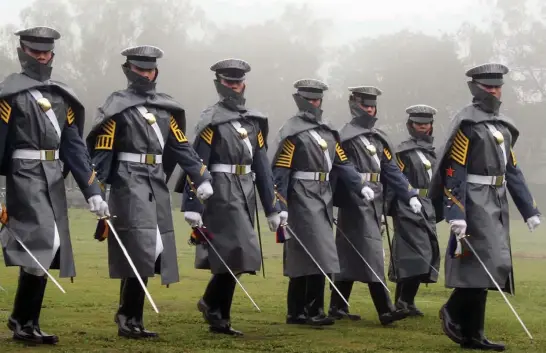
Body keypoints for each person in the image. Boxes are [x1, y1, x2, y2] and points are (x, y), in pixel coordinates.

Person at [86, 45, 213, 339]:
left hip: (155, 181)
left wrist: (200, 175)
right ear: (129, 70)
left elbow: (181, 145)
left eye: (150, 69)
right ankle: (127, 316)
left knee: (153, 248)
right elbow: (104, 152)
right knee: (141, 246)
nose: (146, 74)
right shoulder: (117, 106)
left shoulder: (165, 108)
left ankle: (133, 316)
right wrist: (98, 189)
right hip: (128, 182)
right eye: (140, 69)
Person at [0, 26, 109, 345]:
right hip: (24, 172)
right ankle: (23, 321)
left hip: (53, 173)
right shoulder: (9, 93)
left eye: (47, 52)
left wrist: (93, 191)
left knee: (48, 245)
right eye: (36, 52)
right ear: (23, 52)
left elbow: (74, 145)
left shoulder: (63, 96)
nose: (43, 57)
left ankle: (25, 321)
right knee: (43, 241)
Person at [430, 63, 541, 351]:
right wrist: (456, 212)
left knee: (487, 266)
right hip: (475, 200)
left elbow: (512, 169)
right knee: (486, 262)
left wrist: (529, 209)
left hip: (497, 198)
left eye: (497, 86)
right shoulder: (468, 124)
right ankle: (453, 310)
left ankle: (473, 334)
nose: (494, 91)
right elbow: (455, 170)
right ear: (475, 88)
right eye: (488, 86)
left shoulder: (501, 125)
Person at [175, 58, 284, 336]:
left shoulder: (253, 122)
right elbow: (197, 162)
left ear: (244, 83)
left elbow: (261, 163)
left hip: (245, 186)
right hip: (220, 187)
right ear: (219, 84)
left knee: (237, 253)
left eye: (237, 81)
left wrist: (272, 206)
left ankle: (214, 307)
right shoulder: (211, 120)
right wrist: (192, 203)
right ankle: (215, 308)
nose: (234, 86)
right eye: (228, 82)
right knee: (238, 250)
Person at [272, 79, 373, 327]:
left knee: (312, 252)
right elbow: (281, 171)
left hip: (323, 193)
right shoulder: (292, 131)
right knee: (313, 251)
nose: (315, 103)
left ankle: (301, 311)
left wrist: (360, 185)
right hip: (301, 194)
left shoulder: (328, 131)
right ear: (301, 100)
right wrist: (280, 205)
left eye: (318, 99)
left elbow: (342, 163)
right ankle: (309, 310)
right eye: (310, 99)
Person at [329, 86, 422, 326]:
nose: (370, 110)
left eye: (372, 106)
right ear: (354, 105)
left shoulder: (377, 137)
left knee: (349, 252)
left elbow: (391, 169)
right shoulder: (344, 136)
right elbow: (342, 167)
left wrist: (409, 193)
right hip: (354, 199)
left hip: (376, 197)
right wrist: (359, 186)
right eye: (365, 105)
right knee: (372, 250)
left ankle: (337, 306)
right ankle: (385, 309)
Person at [388, 104, 441, 317]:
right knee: (416, 253)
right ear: (410, 125)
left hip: (427, 205)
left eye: (426, 123)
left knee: (425, 252)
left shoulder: (433, 153)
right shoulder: (402, 152)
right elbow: (394, 180)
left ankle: (406, 301)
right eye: (418, 123)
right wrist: (388, 210)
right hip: (407, 205)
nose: (423, 127)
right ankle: (402, 300)